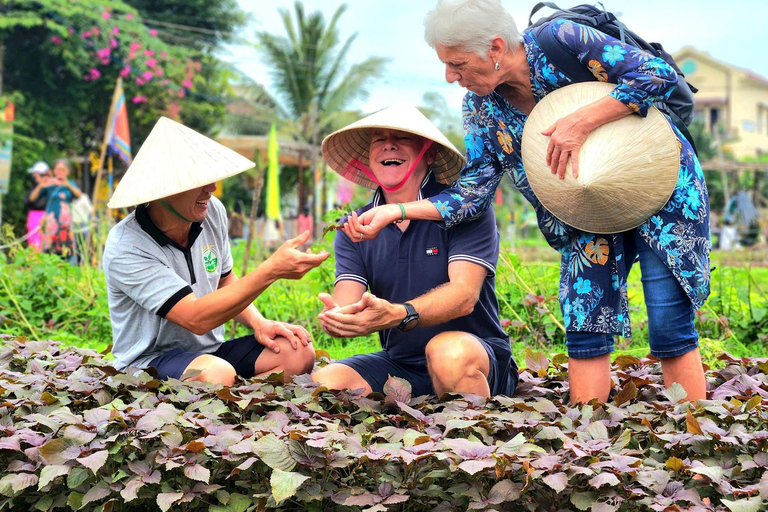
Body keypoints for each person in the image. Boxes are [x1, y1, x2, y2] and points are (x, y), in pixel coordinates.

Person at [343, 0, 710, 404]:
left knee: (667, 316)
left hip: (656, 183)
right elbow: (473, 192)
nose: (450, 76)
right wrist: (395, 210)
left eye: (458, 64)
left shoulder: (562, 40)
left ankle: (690, 435)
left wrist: (581, 121)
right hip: (583, 207)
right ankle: (590, 435)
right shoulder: (481, 107)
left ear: (496, 48)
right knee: (584, 316)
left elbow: (654, 74)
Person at [103, 117, 329, 385]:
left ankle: (233, 396)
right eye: (198, 181)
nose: (210, 188)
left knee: (298, 352)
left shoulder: (212, 213)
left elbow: (224, 280)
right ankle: (228, 390)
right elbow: (194, 318)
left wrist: (260, 323)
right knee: (216, 373)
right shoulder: (126, 246)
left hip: (211, 352)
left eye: (210, 178)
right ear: (163, 190)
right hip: (148, 361)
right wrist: (271, 270)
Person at [312, 104, 518, 398]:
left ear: (430, 153)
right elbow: (347, 303)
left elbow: (464, 297)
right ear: (369, 158)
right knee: (325, 382)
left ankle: (471, 434)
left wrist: (400, 314)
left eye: (402, 138)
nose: (389, 145)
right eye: (379, 139)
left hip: (473, 354)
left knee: (446, 352)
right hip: (401, 363)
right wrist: (340, 318)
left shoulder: (466, 210)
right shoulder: (354, 227)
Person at [28, 158, 82, 259]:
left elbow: (79, 195)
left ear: (67, 171)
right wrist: (41, 185)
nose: (60, 172)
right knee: (49, 251)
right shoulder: (49, 184)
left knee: (65, 252)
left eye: (63, 169)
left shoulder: (70, 184)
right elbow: (32, 198)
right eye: (58, 169)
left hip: (65, 224)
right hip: (51, 223)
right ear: (54, 171)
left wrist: (67, 185)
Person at [24, 161, 51, 252]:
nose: (34, 176)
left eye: (36, 174)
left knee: (46, 243)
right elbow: (29, 200)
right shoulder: (35, 186)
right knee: (34, 243)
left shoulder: (50, 187)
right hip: (34, 216)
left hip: (46, 216)